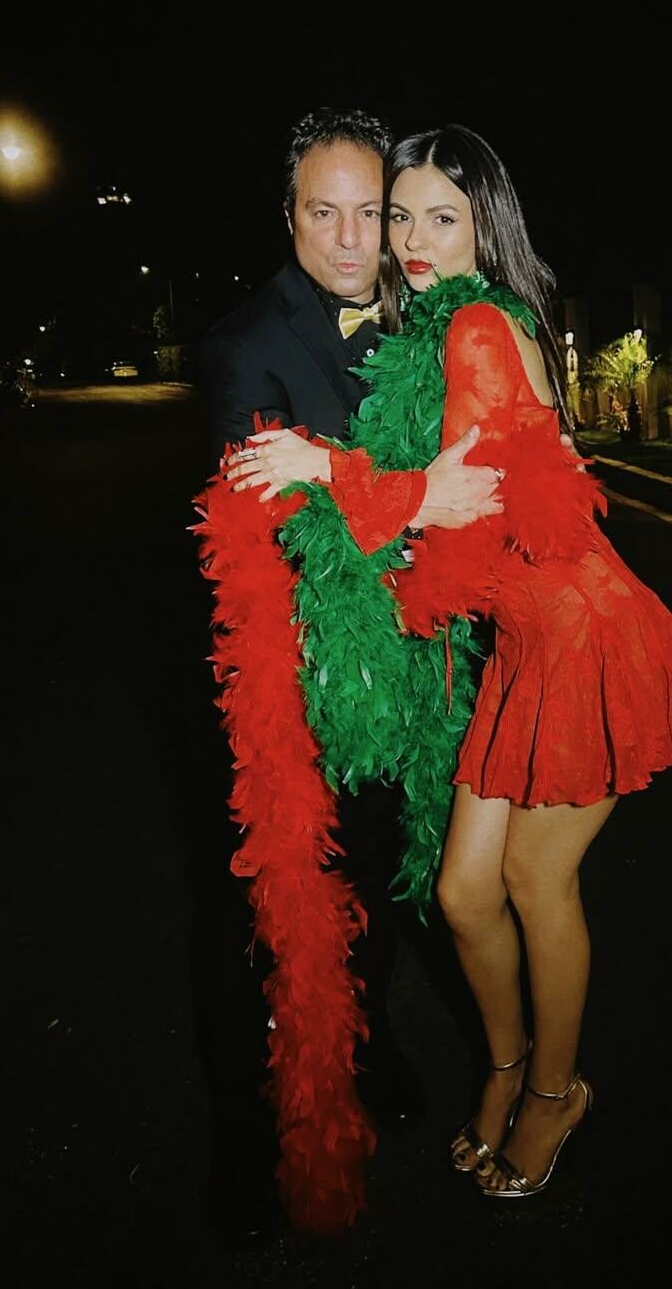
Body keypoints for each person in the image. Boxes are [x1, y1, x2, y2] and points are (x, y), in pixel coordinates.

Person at [228, 123, 672, 1201]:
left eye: (440, 218)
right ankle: (504, 1066)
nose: (411, 241)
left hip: (584, 637)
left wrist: (326, 466)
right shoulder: (446, 325)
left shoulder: (477, 330)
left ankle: (555, 1091)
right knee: (461, 893)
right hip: (523, 647)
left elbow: (471, 511)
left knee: (537, 881)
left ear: (485, 227)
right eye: (401, 216)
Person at [195, 108, 502, 1238]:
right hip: (294, 689)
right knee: (270, 921)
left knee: (375, 891)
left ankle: (365, 1056)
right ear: (288, 216)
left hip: (400, 673)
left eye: (368, 212)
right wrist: (419, 499)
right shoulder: (243, 344)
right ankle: (250, 1148)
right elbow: (273, 524)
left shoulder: (426, 320)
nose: (348, 238)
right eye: (322, 212)